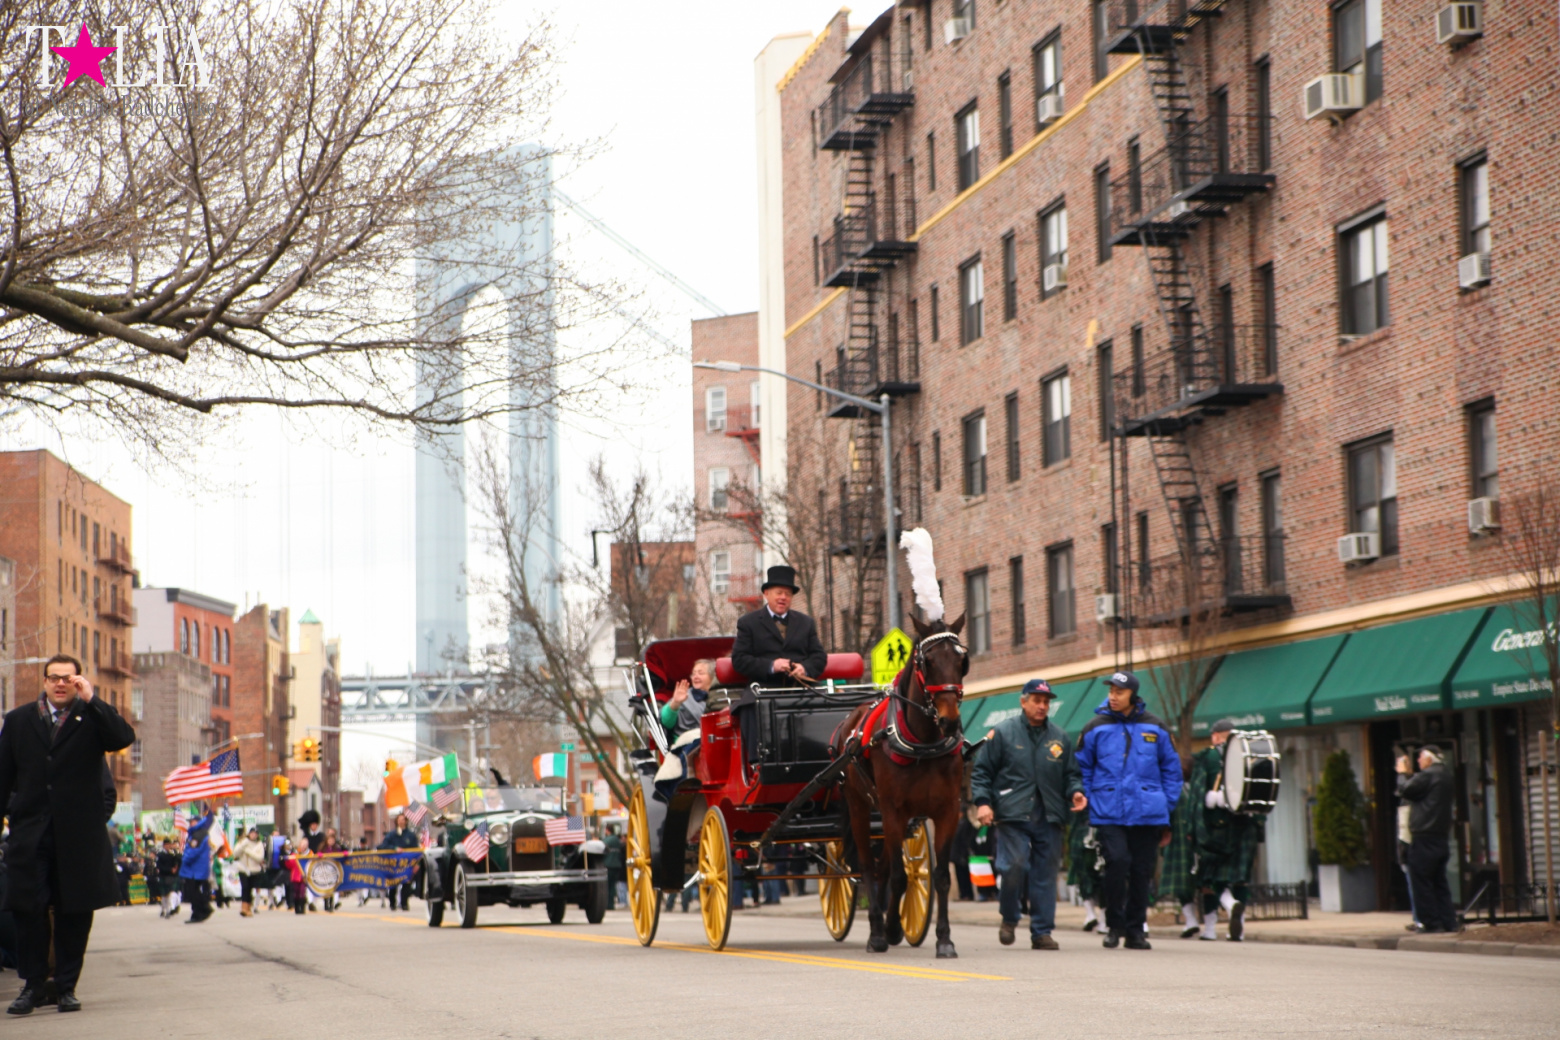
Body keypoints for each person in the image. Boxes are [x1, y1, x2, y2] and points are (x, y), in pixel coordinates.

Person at [0, 654, 136, 1013]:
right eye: (54, 678)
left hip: (78, 838)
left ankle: (66, 986)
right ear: (44, 682)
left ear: (79, 682)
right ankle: (32, 986)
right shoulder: (17, 722)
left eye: (69, 679)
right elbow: (2, 780)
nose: (61, 684)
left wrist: (92, 699)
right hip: (31, 835)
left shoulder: (91, 720)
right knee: (28, 908)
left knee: (74, 911)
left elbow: (123, 736)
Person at [970, 679, 1086, 950]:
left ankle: (1041, 932)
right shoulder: (1002, 733)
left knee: (1045, 873)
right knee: (1014, 866)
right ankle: (1009, 917)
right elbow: (981, 771)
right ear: (1023, 702)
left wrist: (1076, 792)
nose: (1042, 706)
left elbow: (1071, 774)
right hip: (1013, 812)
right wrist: (983, 803)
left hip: (1050, 814)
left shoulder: (1059, 737)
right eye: (1036, 700)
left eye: (1046, 701)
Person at [1076, 669, 1182, 951]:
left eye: (1119, 692)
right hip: (1108, 811)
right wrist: (1086, 797)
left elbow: (1172, 772)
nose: (1113, 697)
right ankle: (1114, 926)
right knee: (1118, 863)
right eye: (1110, 691)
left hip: (1148, 814)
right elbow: (1082, 769)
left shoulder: (1156, 727)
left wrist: (1166, 806)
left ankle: (1136, 930)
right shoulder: (1094, 727)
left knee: (1141, 871)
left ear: (1132, 695)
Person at [730, 566, 828, 765]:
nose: (783, 597)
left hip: (799, 685)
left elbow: (819, 656)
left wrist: (805, 668)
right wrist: (771, 666)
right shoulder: (748, 623)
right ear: (766, 594)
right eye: (779, 593)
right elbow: (739, 659)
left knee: (827, 702)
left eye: (788, 594)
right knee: (750, 705)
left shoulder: (805, 623)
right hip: (764, 686)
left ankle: (824, 754)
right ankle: (758, 762)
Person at [1188, 719, 1265, 941]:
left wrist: (1195, 824)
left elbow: (1196, 795)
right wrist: (1258, 822)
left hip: (1217, 828)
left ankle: (1218, 921)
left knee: (1210, 878)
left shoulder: (1208, 757)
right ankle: (1238, 930)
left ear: (1215, 736)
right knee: (1241, 878)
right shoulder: (1251, 753)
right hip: (1246, 825)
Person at [1397, 745, 1457, 933]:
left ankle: (1431, 922)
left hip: (1423, 837)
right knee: (1439, 881)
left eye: (1421, 757)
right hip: (1440, 836)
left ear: (1429, 759)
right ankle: (1449, 921)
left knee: (1422, 882)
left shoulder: (1428, 774)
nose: (1418, 761)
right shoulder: (1446, 775)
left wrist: (1403, 774)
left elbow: (1406, 790)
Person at [1066, 809, 1106, 932]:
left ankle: (1092, 915)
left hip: (1085, 829)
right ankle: (1100, 919)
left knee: (1084, 876)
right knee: (1101, 876)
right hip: (1101, 828)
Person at [660, 659, 715, 741]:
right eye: (693, 674)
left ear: (712, 677)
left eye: (701, 673)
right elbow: (666, 722)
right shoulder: (684, 695)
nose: (695, 677)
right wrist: (675, 703)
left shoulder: (721, 695)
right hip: (687, 744)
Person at [179, 807, 217, 924]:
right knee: (193, 892)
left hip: (195, 869)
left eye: (192, 821)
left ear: (198, 822)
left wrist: (184, 860)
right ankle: (197, 914)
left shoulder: (198, 834)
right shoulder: (197, 833)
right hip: (196, 868)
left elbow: (194, 851)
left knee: (193, 892)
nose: (190, 823)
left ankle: (204, 909)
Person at [377, 814, 420, 911]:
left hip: (407, 864)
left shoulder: (411, 835)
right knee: (393, 884)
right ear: (396, 821)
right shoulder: (391, 835)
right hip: (393, 864)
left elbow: (416, 850)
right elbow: (383, 846)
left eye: (403, 820)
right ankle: (392, 903)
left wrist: (416, 863)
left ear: (406, 821)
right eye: (399, 820)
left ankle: (404, 903)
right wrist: (394, 848)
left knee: (406, 884)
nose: (401, 821)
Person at [232, 827, 268, 917]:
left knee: (250, 888)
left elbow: (260, 858)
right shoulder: (242, 842)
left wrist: (248, 851)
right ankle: (243, 908)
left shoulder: (259, 844)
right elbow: (235, 853)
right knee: (245, 888)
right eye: (252, 833)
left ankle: (249, 907)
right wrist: (244, 845)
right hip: (243, 869)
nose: (253, 835)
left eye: (255, 834)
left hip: (254, 870)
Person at [156, 838, 182, 917]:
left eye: (169, 845)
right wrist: (170, 869)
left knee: (171, 893)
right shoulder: (160, 855)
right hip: (163, 875)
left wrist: (177, 852)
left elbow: (180, 861)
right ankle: (164, 909)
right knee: (164, 895)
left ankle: (170, 909)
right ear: (164, 845)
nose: (168, 846)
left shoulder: (173, 854)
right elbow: (159, 866)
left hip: (171, 877)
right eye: (166, 845)